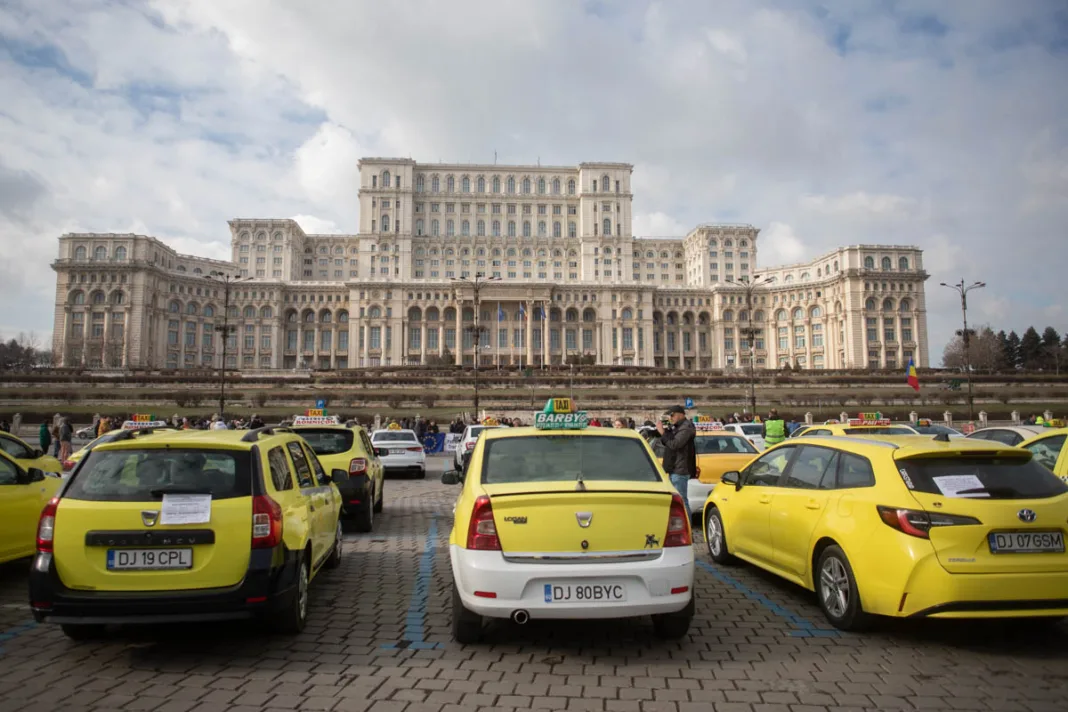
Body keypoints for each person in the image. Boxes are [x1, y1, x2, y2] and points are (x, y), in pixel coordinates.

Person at [657, 405, 697, 520]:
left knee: (682, 501)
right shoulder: (676, 427)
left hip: (680, 469)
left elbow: (674, 444)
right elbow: (668, 441)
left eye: (672, 415)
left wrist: (663, 433)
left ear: (680, 414)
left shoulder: (686, 427)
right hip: (673, 468)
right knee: (675, 502)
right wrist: (666, 429)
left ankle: (687, 529)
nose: (671, 418)